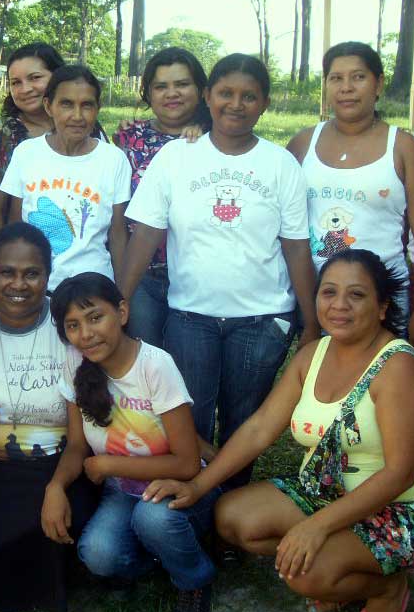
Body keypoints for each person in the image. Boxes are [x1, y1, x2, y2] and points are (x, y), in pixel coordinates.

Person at [144, 250, 414, 612]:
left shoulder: (398, 367)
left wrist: (315, 527)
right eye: (329, 292)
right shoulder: (312, 355)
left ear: (383, 307)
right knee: (232, 516)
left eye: (357, 295)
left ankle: (387, 590)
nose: (339, 305)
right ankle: (348, 566)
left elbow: (400, 473)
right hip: (324, 490)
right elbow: (259, 430)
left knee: (306, 574)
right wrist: (199, 486)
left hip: (399, 507)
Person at [121, 53, 320, 489]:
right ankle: (189, 514)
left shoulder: (280, 165)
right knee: (187, 422)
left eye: (249, 96)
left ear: (265, 103)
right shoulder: (176, 157)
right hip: (191, 316)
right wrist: (120, 300)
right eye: (226, 93)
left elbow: (296, 247)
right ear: (208, 96)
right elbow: (145, 236)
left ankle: (227, 512)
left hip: (263, 320)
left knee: (242, 424)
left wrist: (309, 321)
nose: (236, 104)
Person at [49, 272, 218, 612]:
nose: (87, 334)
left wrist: (109, 463)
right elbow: (78, 445)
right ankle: (160, 558)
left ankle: (195, 579)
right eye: (73, 325)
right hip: (122, 491)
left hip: (182, 487)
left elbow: (188, 463)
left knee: (152, 519)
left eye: (96, 317)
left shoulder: (154, 365)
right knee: (97, 554)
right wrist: (55, 488)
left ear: (122, 312)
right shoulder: (73, 363)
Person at [0, 222, 98, 612]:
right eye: (7, 272)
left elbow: (80, 440)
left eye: (32, 273)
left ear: (48, 275)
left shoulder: (69, 329)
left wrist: (56, 487)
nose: (19, 284)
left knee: (62, 525)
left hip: (57, 466)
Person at [287, 41, 414, 346]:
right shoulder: (302, 144)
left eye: (358, 77)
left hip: (381, 296)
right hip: (318, 295)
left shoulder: (403, 147)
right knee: (322, 385)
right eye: (336, 78)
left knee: (380, 386)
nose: (346, 88)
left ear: (378, 83)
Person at [0, 65, 130, 293]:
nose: (77, 116)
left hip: (93, 286)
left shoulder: (113, 159)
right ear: (49, 106)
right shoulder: (26, 153)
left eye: (87, 105)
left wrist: (121, 294)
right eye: (66, 104)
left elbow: (117, 233)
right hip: (36, 286)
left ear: (98, 108)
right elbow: (16, 223)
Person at [117, 47, 211, 346]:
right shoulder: (129, 137)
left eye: (182, 84)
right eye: (161, 86)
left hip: (198, 274)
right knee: (147, 359)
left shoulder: (217, 138)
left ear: (201, 89)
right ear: (148, 93)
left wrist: (205, 128)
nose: (172, 93)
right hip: (142, 274)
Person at [0, 43, 106, 228]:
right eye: (16, 82)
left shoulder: (84, 126)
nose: (25, 89)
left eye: (35, 78)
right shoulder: (4, 133)